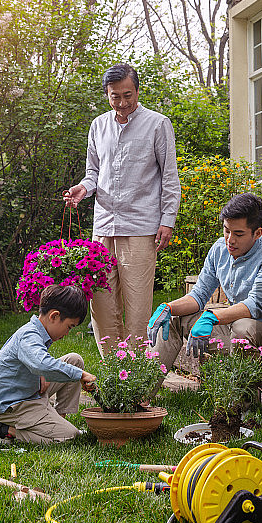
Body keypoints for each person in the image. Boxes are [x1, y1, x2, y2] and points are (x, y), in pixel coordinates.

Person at [63, 62, 181, 354]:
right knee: (101, 305)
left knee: (138, 306)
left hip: (141, 228)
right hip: (103, 228)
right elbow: (93, 174)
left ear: (137, 91)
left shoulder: (157, 124)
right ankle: (113, 373)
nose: (123, 102)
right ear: (107, 94)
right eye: (116, 96)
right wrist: (82, 189)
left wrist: (167, 220)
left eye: (128, 95)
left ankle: (135, 373)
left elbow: (169, 176)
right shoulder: (98, 126)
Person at [147, 193, 262, 377]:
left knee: (243, 327)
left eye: (238, 234)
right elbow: (198, 296)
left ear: (258, 233)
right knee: (174, 318)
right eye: (226, 230)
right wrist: (168, 307)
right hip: (237, 336)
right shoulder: (219, 249)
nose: (230, 240)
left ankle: (236, 402)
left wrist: (211, 317)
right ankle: (141, 395)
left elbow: (256, 305)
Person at [0, 285, 96, 445]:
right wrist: (80, 375)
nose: (67, 333)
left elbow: (37, 363)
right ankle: (4, 431)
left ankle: (57, 420)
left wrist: (42, 373)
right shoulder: (28, 335)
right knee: (70, 437)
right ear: (54, 316)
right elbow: (41, 364)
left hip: (29, 391)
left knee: (74, 361)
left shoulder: (37, 331)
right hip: (12, 405)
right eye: (69, 327)